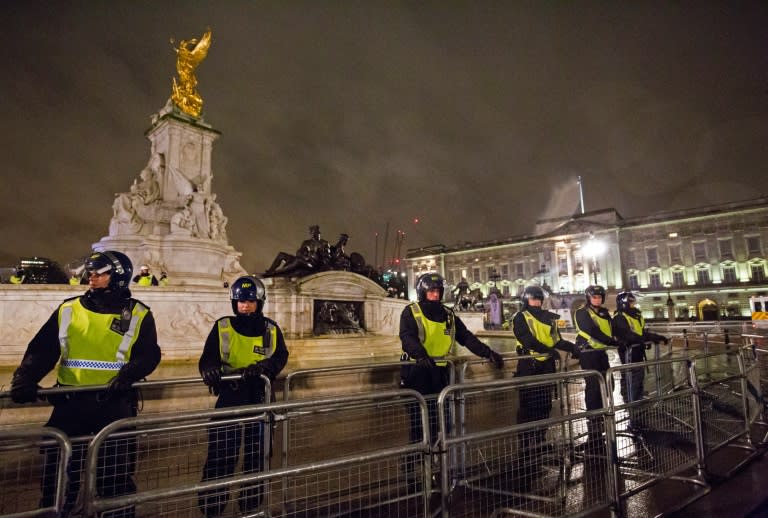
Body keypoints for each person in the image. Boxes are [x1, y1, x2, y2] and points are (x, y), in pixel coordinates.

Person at [10, 250, 160, 517]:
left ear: (117, 277)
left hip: (114, 404)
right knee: (58, 479)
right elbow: (43, 349)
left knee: (114, 478)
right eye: (91, 272)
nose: (91, 277)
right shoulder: (69, 309)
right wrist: (25, 378)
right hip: (70, 404)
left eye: (99, 273)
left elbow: (149, 355)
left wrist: (127, 376)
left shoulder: (138, 314)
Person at [198, 276, 289, 517]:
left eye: (249, 301)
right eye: (240, 302)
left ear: (259, 302)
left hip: (260, 399)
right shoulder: (222, 326)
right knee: (220, 457)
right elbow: (208, 357)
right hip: (230, 399)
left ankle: (251, 506)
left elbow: (280, 357)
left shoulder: (271, 328)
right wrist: (209, 370)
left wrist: (263, 367)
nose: (244, 306)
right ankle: (212, 507)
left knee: (256, 459)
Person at [399, 273, 504, 481]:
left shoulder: (448, 314)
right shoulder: (411, 311)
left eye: (437, 291)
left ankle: (436, 463)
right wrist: (420, 355)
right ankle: (412, 466)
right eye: (430, 291)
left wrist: (488, 352)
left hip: (441, 373)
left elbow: (466, 337)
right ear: (422, 292)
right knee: (419, 423)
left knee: (442, 422)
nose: (434, 294)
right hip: (417, 372)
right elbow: (406, 337)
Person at [512, 286, 575, 450]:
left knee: (544, 404)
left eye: (539, 299)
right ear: (526, 300)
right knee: (527, 407)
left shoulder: (550, 318)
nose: (537, 302)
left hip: (546, 366)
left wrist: (574, 348)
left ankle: (540, 439)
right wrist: (549, 350)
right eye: (533, 299)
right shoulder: (520, 317)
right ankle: (525, 443)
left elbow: (557, 340)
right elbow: (527, 339)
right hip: (528, 365)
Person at [613, 291, 668, 429]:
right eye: (631, 302)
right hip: (628, 354)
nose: (633, 304)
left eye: (633, 302)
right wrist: (643, 340)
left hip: (637, 353)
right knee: (631, 382)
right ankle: (632, 415)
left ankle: (638, 413)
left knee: (638, 383)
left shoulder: (636, 315)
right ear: (624, 303)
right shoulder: (619, 317)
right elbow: (628, 335)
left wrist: (656, 337)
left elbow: (641, 333)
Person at [574, 285, 620, 447]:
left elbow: (614, 329)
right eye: (594, 297)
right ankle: (593, 427)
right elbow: (592, 330)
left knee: (608, 385)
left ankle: (600, 418)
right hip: (588, 353)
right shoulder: (582, 312)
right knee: (593, 388)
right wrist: (612, 342)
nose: (597, 299)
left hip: (601, 353)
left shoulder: (604, 313)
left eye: (600, 297)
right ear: (588, 298)